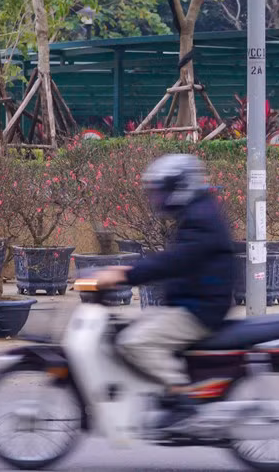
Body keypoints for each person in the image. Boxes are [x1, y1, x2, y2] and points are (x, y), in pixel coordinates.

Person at [93, 153, 234, 429]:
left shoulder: (200, 219)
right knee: (130, 330)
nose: (159, 199)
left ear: (180, 188)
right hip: (192, 301)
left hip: (200, 309)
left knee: (135, 341)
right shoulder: (198, 212)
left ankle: (181, 399)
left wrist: (126, 274)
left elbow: (175, 261)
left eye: (164, 191)